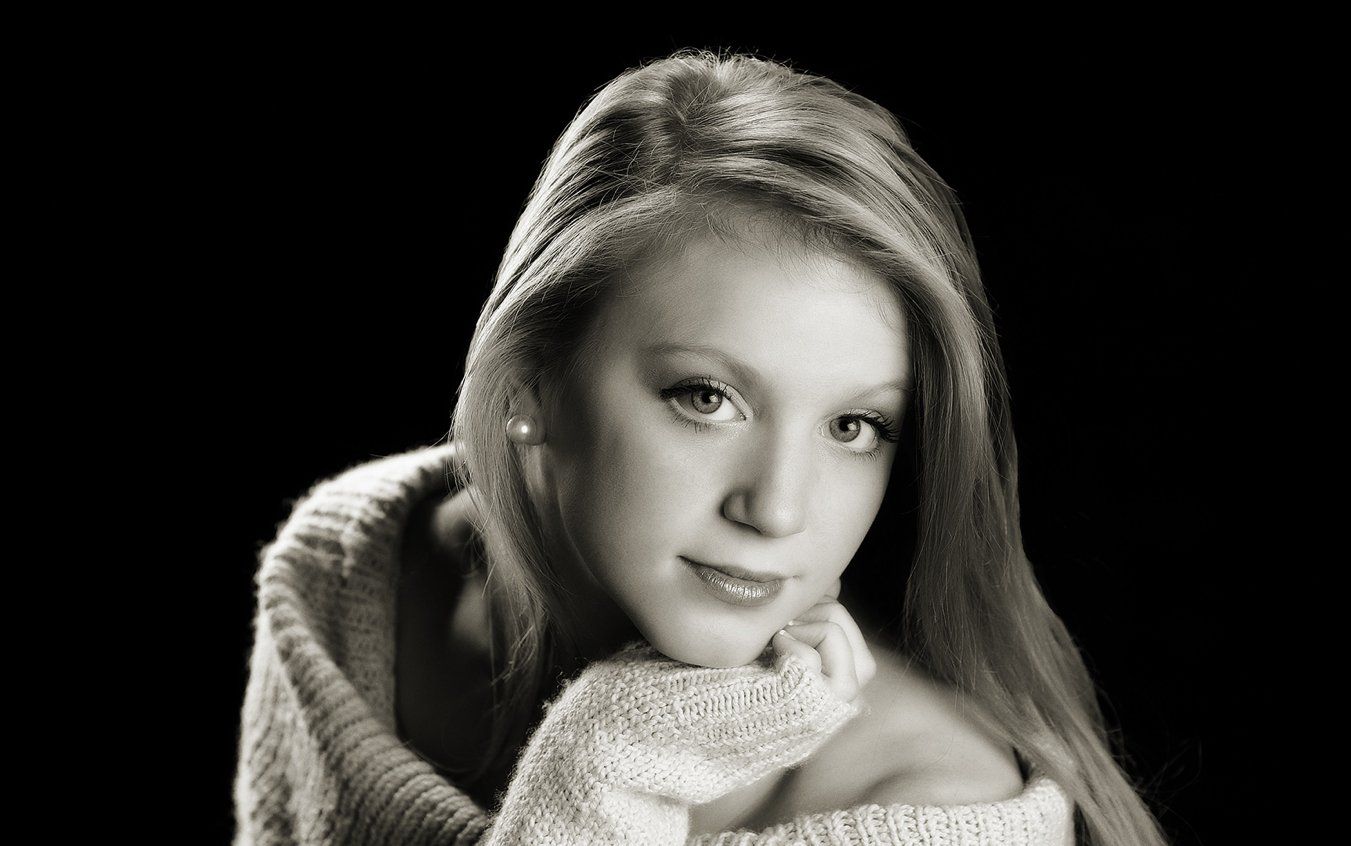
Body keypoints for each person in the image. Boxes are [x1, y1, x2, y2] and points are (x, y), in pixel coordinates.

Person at [233, 49, 1168, 846]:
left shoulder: (933, 807)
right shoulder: (355, 575)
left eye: (854, 426)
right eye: (708, 397)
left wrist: (605, 765)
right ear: (528, 385)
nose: (778, 509)